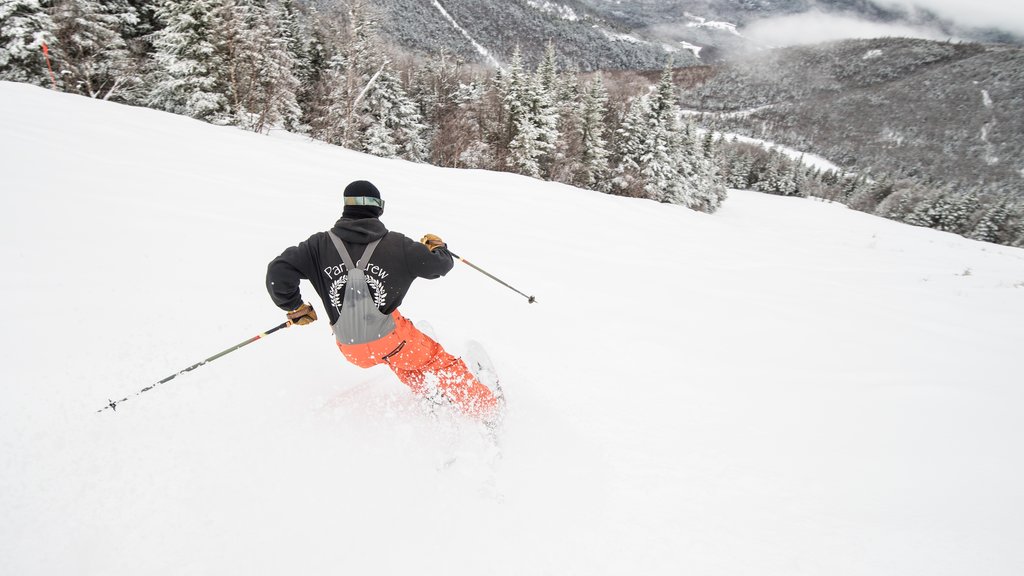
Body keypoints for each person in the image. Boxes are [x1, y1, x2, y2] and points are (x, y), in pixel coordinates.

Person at [266, 180, 501, 424]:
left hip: (350, 348)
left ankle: (429, 393)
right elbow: (440, 266)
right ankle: (485, 408)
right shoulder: (397, 245)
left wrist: (294, 307)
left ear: (346, 207)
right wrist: (439, 249)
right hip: (390, 340)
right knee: (435, 361)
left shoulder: (317, 245)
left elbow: (278, 271)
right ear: (379, 208)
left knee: (399, 358)